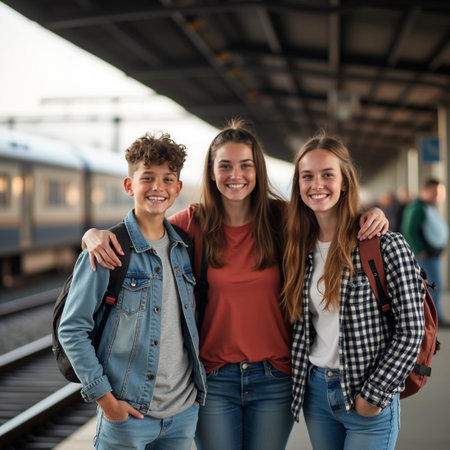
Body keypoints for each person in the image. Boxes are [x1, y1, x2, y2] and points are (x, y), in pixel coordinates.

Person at [82, 120, 388, 450]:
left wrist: (373, 214)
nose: (236, 175)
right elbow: (143, 233)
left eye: (246, 166)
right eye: (225, 166)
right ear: (212, 173)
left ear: (258, 170)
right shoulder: (191, 223)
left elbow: (331, 218)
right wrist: (93, 236)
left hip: (275, 377)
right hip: (214, 379)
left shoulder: (283, 219)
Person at [58, 132, 207, 450]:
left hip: (182, 414)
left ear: (178, 188)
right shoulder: (107, 250)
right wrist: (106, 401)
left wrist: (194, 400)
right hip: (127, 416)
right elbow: (72, 329)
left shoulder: (184, 247)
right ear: (129, 186)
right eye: (147, 177)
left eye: (168, 178)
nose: (158, 187)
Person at [282, 132, 425, 450]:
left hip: (367, 392)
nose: (316, 184)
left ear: (344, 182)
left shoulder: (385, 245)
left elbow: (411, 330)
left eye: (327, 175)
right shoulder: (297, 249)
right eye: (307, 176)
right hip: (317, 394)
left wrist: (374, 396)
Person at [401, 177, 449, 324]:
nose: (436, 196)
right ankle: (433, 318)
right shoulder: (418, 208)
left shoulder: (427, 206)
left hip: (430, 254)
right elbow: (409, 229)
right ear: (425, 190)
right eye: (434, 192)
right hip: (424, 255)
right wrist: (419, 249)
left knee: (433, 285)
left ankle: (433, 317)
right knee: (433, 285)